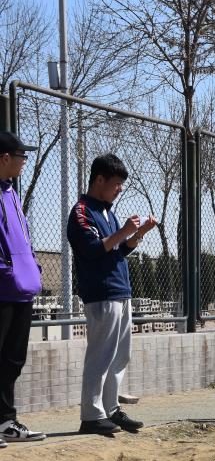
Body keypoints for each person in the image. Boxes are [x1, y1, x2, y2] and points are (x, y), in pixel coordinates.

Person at [68, 153, 156, 435]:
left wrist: (137, 234)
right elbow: (93, 249)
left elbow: (118, 250)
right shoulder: (82, 211)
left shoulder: (108, 211)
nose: (120, 189)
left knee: (120, 355)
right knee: (101, 356)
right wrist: (124, 231)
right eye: (116, 183)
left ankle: (110, 409)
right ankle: (91, 415)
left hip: (120, 291)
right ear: (99, 180)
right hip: (101, 293)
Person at [0, 132, 46, 445]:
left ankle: (5, 422)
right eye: (22, 155)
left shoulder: (12, 193)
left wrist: (32, 267)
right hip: (3, 288)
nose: (25, 161)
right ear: (5, 158)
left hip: (21, 289)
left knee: (13, 359)